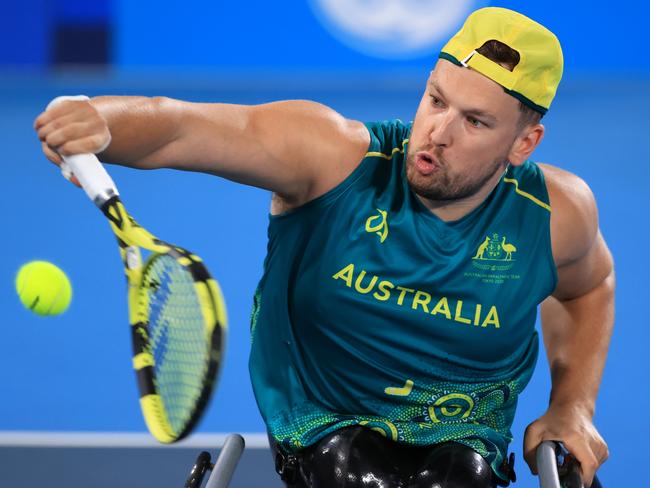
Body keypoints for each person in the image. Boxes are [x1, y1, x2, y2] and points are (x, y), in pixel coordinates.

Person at [34, 7, 613, 487]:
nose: (437, 131)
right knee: (352, 474)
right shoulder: (333, 159)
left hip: (463, 430)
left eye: (476, 122)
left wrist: (573, 406)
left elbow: (589, 288)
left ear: (524, 142)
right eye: (435, 100)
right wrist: (99, 119)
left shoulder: (556, 215)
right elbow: (182, 127)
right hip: (325, 423)